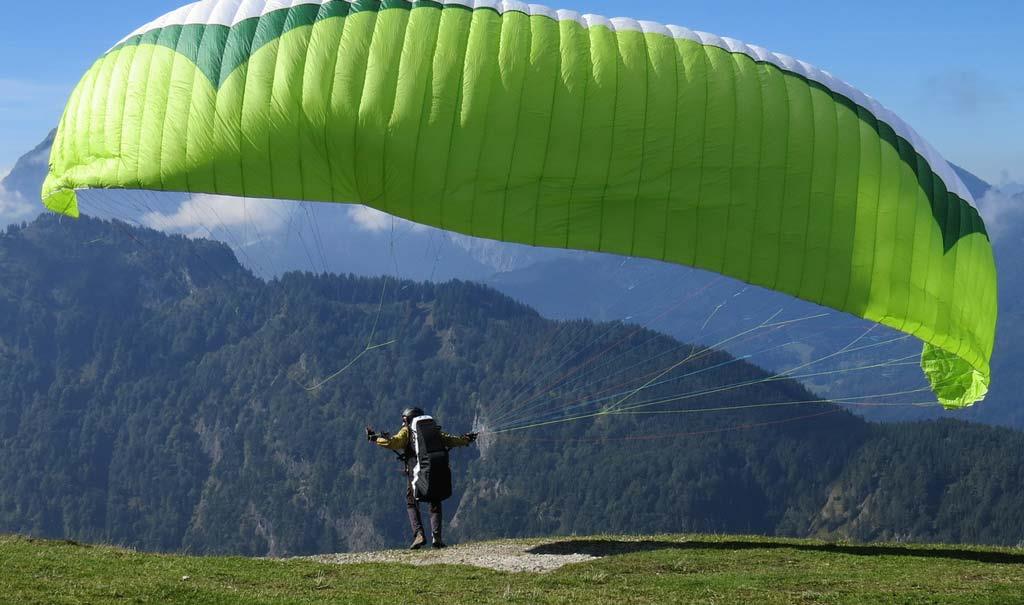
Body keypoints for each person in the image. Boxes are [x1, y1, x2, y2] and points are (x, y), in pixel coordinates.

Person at [367, 407, 477, 549]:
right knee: (435, 501)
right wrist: (466, 439)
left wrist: (376, 438)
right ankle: (437, 537)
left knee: (412, 502)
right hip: (435, 471)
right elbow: (450, 440)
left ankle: (419, 534)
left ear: (407, 419)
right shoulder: (432, 430)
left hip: (416, 473)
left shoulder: (408, 431)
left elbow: (393, 443)